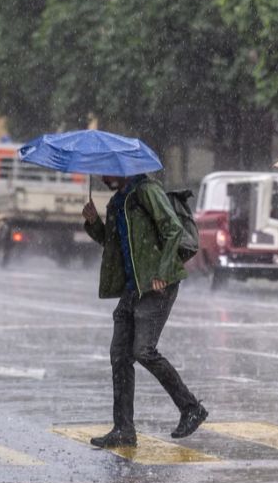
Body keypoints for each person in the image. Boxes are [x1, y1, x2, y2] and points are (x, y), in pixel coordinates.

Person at [82, 173, 207, 448]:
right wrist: (93, 223)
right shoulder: (118, 201)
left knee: (143, 350)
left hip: (158, 284)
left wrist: (162, 272)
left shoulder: (147, 190)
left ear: (124, 170)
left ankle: (191, 408)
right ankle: (124, 429)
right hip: (133, 287)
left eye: (108, 172)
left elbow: (173, 229)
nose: (104, 178)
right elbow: (112, 243)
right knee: (119, 355)